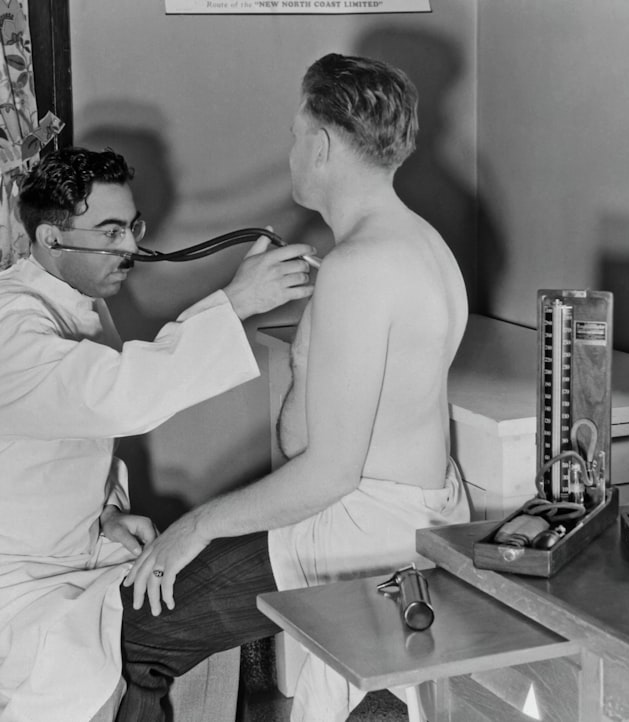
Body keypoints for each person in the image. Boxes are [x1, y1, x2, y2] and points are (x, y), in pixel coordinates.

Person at [0, 146, 316, 722]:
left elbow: (70, 430)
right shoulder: (5, 326)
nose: (132, 247)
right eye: (110, 231)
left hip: (55, 547)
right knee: (102, 663)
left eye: (132, 226)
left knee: (162, 617)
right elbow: (116, 397)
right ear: (51, 238)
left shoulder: (74, 303)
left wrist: (106, 515)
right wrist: (235, 303)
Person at [121, 53, 472, 721]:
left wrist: (191, 529)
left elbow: (328, 474)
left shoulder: (361, 269)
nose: (291, 151)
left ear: (321, 144)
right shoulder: (420, 244)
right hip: (406, 515)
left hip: (356, 527)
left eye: (294, 134)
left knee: (138, 629)